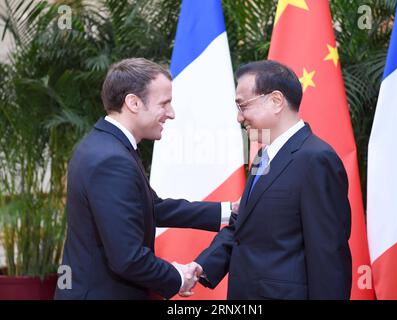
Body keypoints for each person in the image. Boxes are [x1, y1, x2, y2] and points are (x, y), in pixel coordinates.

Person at [55, 58, 233, 300]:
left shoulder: (107, 145)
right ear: (133, 102)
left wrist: (228, 211)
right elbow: (127, 258)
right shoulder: (111, 159)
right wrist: (177, 277)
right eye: (164, 103)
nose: (171, 114)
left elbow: (152, 207)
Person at [190, 60, 352, 299]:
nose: (238, 117)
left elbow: (327, 254)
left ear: (276, 101)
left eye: (242, 105)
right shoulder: (262, 157)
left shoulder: (316, 159)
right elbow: (241, 226)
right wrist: (202, 267)